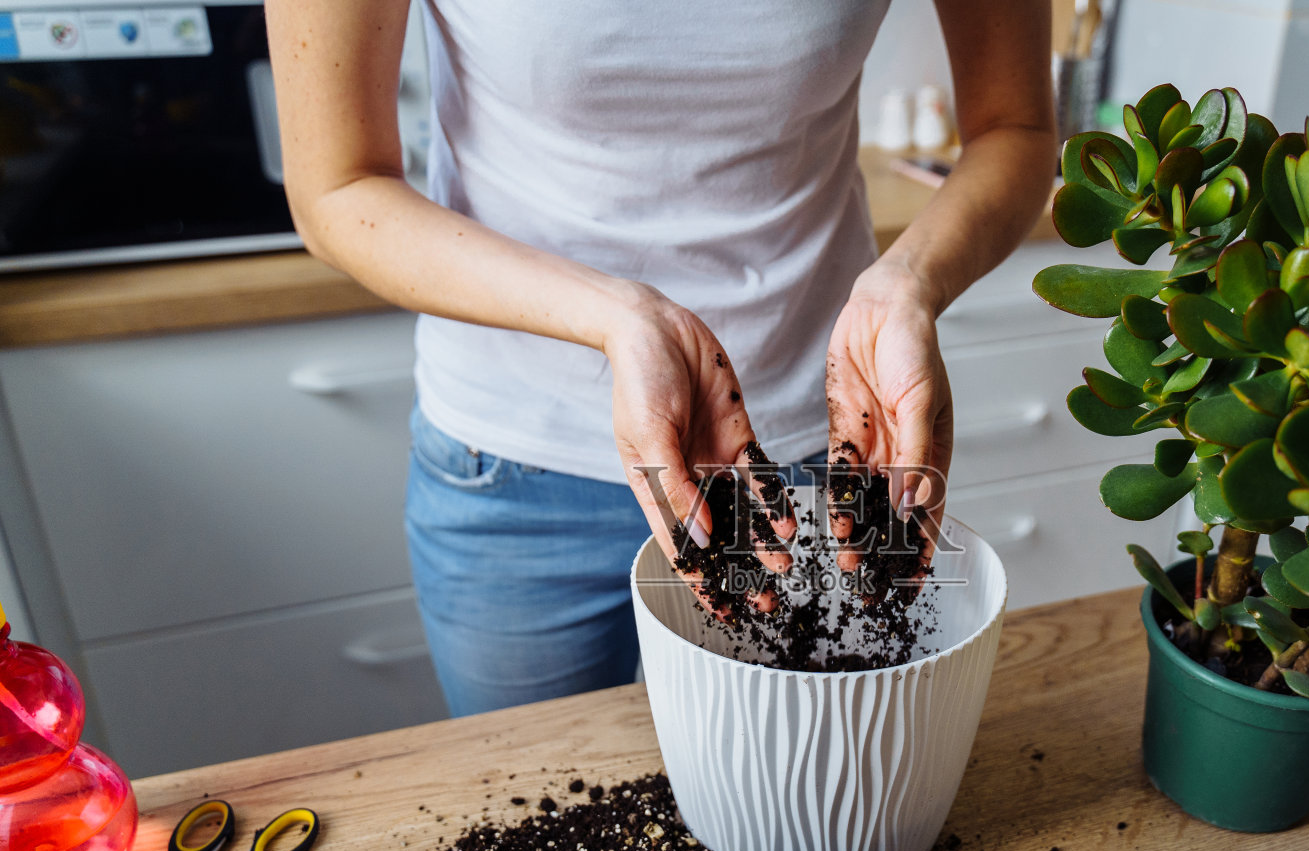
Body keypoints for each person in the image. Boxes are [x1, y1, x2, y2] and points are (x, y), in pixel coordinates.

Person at [265, 0, 1054, 716]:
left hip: (799, 465)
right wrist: (616, 315)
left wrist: (909, 283)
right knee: (542, 819)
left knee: (801, 811)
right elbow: (335, 188)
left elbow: (1015, 129)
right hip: (513, 476)